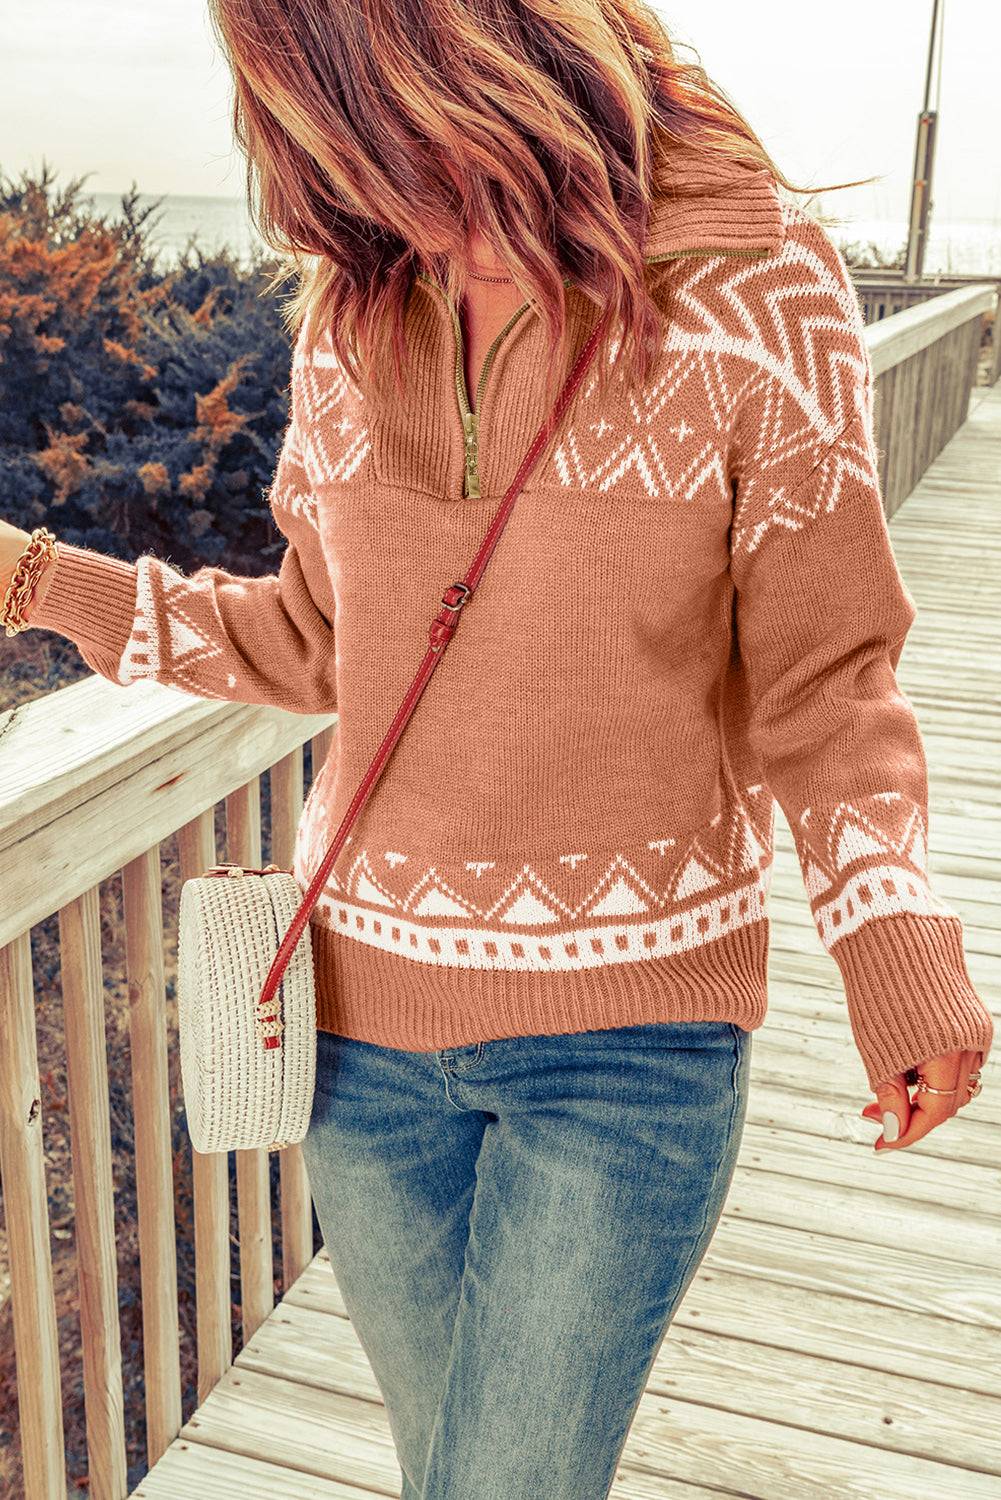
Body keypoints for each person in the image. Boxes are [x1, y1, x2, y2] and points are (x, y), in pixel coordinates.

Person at [1, 4, 991, 1496]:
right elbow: (318, 640)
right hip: (358, 1037)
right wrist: (32, 581)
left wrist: (889, 932)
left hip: (625, 1048)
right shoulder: (353, 313)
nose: (313, 157)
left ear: (419, 56)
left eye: (319, 98)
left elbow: (825, 674)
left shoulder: (753, 292)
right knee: (453, 1469)